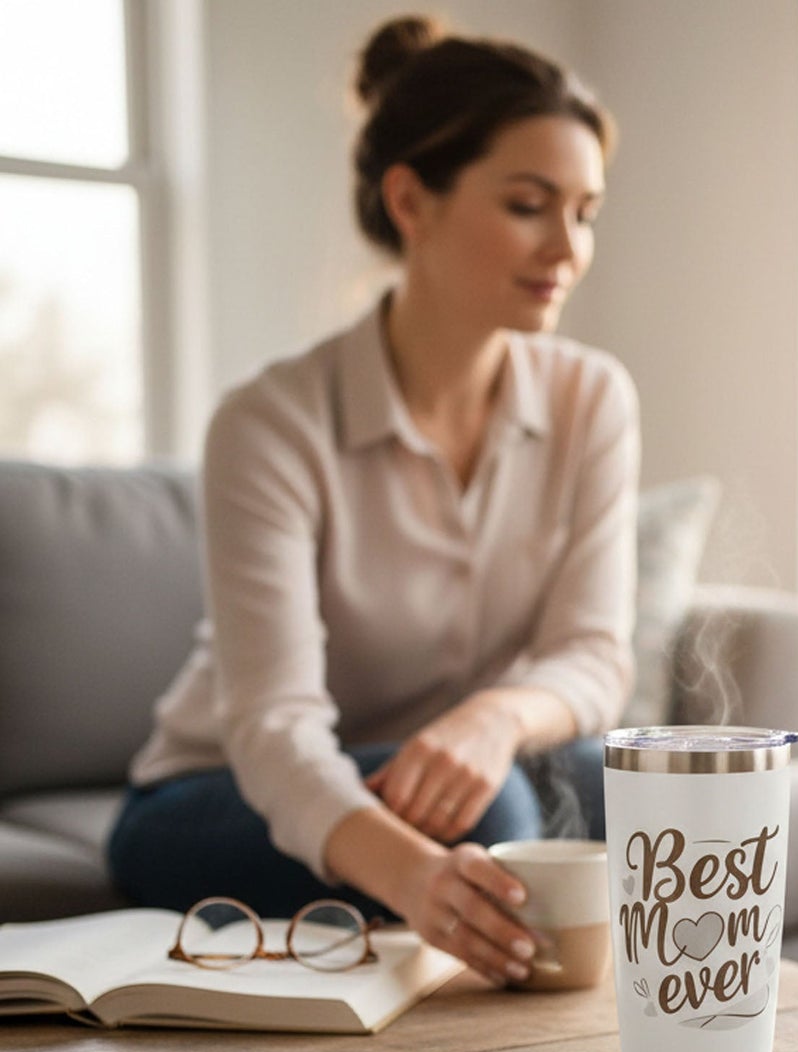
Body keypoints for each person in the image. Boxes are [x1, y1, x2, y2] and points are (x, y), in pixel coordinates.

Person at [107, 16, 637, 990]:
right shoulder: (270, 423)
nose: (567, 245)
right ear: (410, 200)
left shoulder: (590, 397)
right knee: (498, 825)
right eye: (529, 203)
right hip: (218, 796)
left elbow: (593, 655)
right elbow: (274, 730)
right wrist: (416, 875)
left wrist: (493, 717)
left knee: (658, 788)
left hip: (464, 767)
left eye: (586, 211)